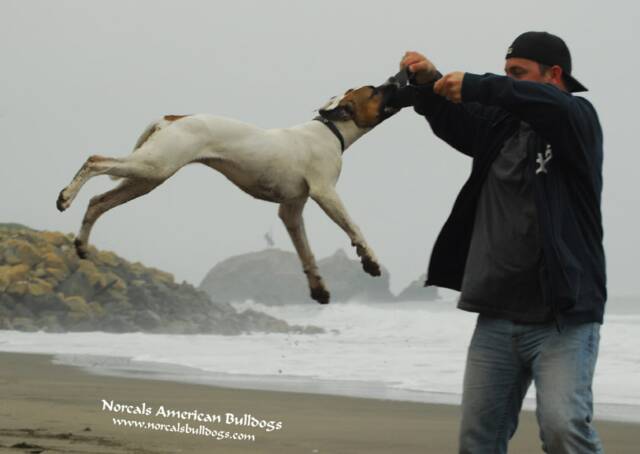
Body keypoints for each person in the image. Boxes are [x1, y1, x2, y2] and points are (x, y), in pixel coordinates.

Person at [392, 31, 607, 453]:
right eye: (507, 72)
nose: (509, 81)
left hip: (563, 319)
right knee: (477, 440)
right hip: (496, 316)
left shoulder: (577, 119)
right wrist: (427, 83)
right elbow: (456, 117)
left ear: (554, 75)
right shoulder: (500, 126)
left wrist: (479, 84)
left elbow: (553, 106)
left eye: (518, 73)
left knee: (564, 429)